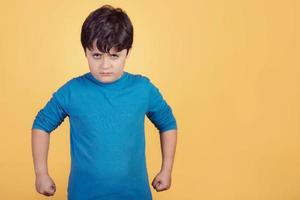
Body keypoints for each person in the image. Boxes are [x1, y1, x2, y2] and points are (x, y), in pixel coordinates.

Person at [31, 4, 178, 200]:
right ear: (85, 52)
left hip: (134, 195)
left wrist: (166, 169)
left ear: (128, 52)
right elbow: (41, 124)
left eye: (114, 56)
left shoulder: (143, 89)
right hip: (84, 195)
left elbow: (167, 123)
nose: (105, 65)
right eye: (97, 55)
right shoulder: (73, 91)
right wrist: (41, 173)